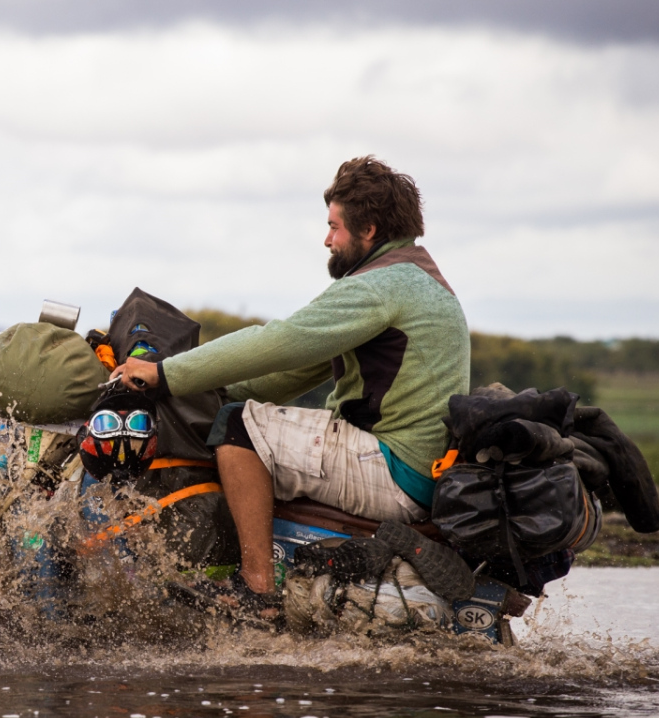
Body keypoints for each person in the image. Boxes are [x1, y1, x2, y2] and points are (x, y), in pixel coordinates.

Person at [110, 156, 470, 608]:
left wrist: (165, 375)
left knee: (239, 427)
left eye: (335, 227)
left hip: (396, 469)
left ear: (370, 230)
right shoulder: (418, 279)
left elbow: (280, 341)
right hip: (417, 467)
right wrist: (207, 395)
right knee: (232, 413)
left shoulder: (382, 286)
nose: (327, 239)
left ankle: (255, 588)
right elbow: (296, 373)